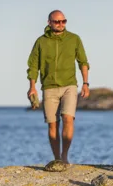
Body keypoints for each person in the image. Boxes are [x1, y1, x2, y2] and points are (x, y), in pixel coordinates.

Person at [26, 10, 90, 165]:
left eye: (63, 21)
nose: (61, 24)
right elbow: (33, 66)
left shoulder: (74, 39)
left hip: (69, 85)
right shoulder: (41, 42)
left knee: (68, 118)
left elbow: (83, 62)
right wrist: (32, 87)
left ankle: (65, 156)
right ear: (49, 22)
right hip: (49, 86)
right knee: (53, 124)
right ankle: (57, 159)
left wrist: (86, 83)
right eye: (57, 22)